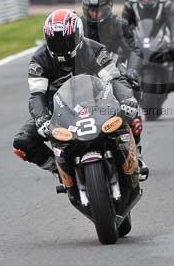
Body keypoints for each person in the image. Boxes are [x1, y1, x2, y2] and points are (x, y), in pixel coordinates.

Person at [12, 9, 146, 175]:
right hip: (58, 109)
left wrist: (126, 99)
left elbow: (114, 79)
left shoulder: (95, 50)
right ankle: (58, 169)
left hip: (98, 102)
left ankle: (135, 154)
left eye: (66, 41)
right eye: (55, 41)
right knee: (23, 141)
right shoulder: (39, 60)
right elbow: (36, 95)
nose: (61, 46)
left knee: (131, 107)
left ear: (78, 35)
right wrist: (41, 119)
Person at [122, 0, 174, 91]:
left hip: (160, 37)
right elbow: (123, 26)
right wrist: (123, 42)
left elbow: (173, 23)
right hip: (138, 37)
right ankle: (125, 77)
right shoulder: (130, 4)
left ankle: (173, 76)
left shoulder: (165, 3)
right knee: (121, 53)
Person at [81, 0, 142, 88]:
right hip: (84, 71)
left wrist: (132, 71)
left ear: (106, 9)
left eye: (98, 10)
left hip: (113, 68)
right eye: (91, 10)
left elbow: (133, 50)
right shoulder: (79, 25)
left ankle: (134, 101)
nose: (94, 14)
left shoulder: (119, 25)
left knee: (132, 85)